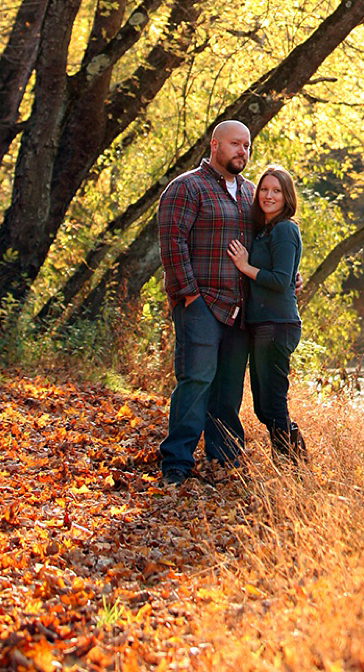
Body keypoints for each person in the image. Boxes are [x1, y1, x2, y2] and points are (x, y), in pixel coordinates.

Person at [156, 119, 255, 485]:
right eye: (234, 144)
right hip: (200, 305)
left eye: (246, 145)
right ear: (215, 145)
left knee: (228, 388)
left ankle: (225, 459)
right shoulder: (187, 188)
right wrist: (190, 296)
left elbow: (261, 245)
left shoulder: (250, 193)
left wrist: (286, 272)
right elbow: (172, 244)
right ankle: (176, 465)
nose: (241, 151)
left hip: (240, 307)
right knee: (195, 381)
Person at [227, 164, 305, 459]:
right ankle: (297, 464)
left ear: (287, 197)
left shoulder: (284, 228)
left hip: (277, 324)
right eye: (264, 189)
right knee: (263, 406)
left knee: (272, 405)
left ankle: (291, 470)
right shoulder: (265, 230)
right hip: (262, 324)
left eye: (276, 191)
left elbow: (281, 280)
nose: (268, 195)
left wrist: (245, 267)